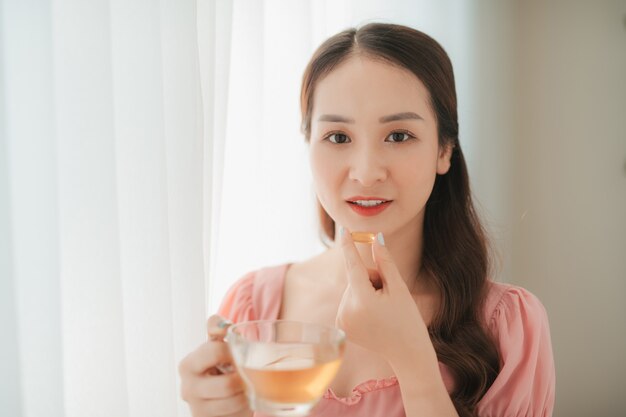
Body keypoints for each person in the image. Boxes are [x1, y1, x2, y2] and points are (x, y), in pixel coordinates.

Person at [178, 23, 556, 417]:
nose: (366, 172)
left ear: (444, 150)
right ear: (309, 145)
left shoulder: (508, 326)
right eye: (339, 138)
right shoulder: (254, 308)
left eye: (398, 136)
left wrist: (412, 360)